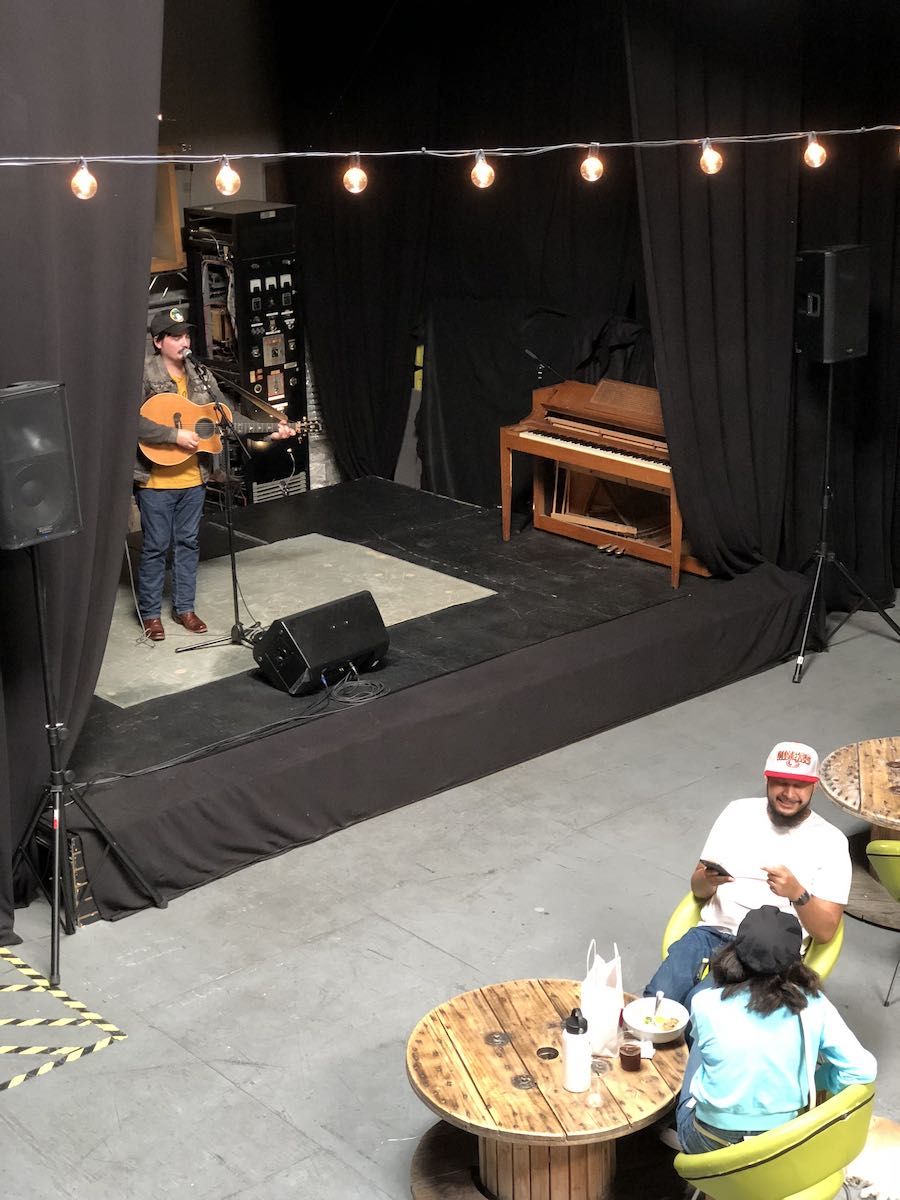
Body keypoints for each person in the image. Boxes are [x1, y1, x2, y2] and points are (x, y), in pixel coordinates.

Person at [643, 741, 851, 1012]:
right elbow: (697, 889)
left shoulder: (831, 841)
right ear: (767, 780)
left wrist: (797, 893)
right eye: (780, 782)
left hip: (768, 949)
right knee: (656, 1002)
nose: (788, 793)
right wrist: (707, 879)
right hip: (711, 933)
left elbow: (825, 932)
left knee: (700, 1012)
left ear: (815, 786)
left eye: (799, 785)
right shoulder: (737, 813)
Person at [135, 305, 292, 641]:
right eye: (175, 337)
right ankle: (150, 614)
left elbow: (227, 418)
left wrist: (269, 431)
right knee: (155, 547)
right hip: (155, 481)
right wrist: (173, 435)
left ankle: (184, 609)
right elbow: (130, 421)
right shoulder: (143, 374)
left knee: (188, 543)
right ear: (158, 341)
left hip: (194, 479)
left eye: (186, 335)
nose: (184, 341)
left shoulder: (200, 374)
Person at [676, 904, 876, 1153]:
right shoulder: (814, 1006)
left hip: (709, 1143)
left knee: (698, 1050)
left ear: (734, 953)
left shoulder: (705, 1002)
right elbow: (863, 1069)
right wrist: (817, 1080)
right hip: (778, 1147)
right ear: (796, 961)